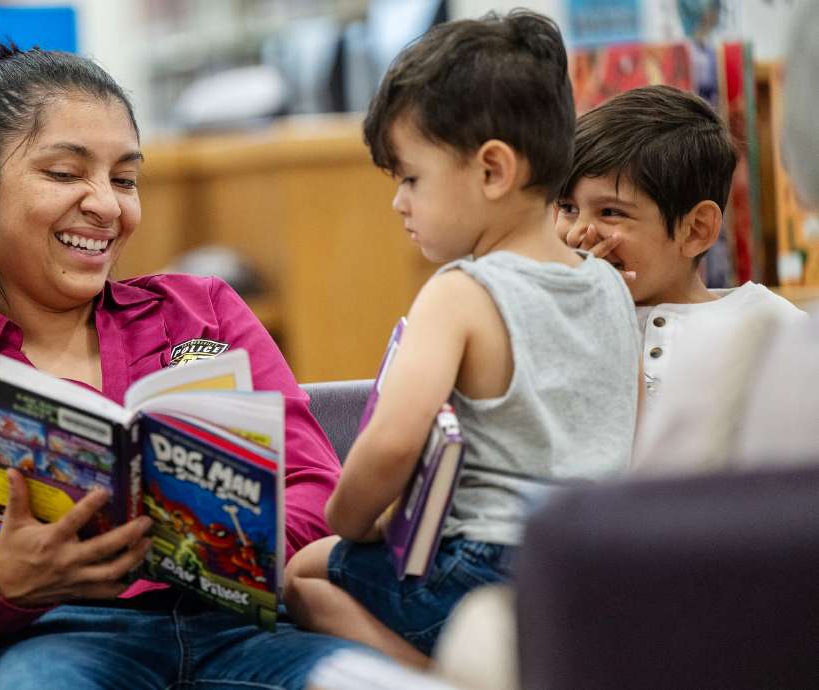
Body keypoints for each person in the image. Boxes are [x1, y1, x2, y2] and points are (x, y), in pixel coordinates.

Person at [0, 44, 361, 689]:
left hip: (241, 629)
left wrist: (230, 536)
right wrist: (3, 586)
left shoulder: (203, 313)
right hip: (58, 637)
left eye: (125, 178)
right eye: (64, 174)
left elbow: (316, 484)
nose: (107, 206)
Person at [281, 11, 641, 667]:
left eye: (411, 179)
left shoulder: (460, 291)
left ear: (493, 170)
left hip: (481, 572)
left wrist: (348, 521)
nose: (399, 203)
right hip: (591, 567)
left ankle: (443, 680)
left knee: (303, 572)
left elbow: (392, 443)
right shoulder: (609, 284)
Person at [554, 85, 805, 423]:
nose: (575, 233)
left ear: (696, 230)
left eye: (611, 212)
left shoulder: (771, 327)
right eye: (568, 207)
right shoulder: (557, 321)